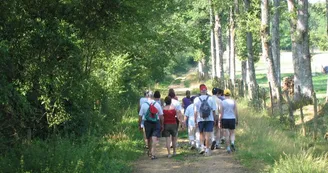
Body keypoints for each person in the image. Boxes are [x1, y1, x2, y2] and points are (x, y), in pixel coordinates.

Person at [139, 91, 164, 160]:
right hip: (156, 122)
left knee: (149, 138)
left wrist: (139, 125)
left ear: (147, 97)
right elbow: (161, 116)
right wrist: (162, 124)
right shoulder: (157, 104)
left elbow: (140, 116)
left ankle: (150, 152)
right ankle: (153, 154)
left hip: (147, 123)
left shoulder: (144, 105)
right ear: (153, 96)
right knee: (154, 138)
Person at [194, 84, 217, 156]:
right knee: (208, 135)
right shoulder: (211, 99)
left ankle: (202, 147)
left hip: (200, 119)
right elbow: (214, 110)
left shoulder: (196, 99)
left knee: (201, 133)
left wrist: (195, 120)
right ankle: (207, 149)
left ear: (200, 91)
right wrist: (214, 119)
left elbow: (195, 111)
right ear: (206, 90)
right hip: (210, 119)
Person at [219, 89, 239, 154]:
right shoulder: (233, 101)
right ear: (230, 94)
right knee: (232, 133)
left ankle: (228, 148)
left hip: (225, 119)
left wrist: (219, 120)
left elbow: (221, 112)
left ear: (224, 95)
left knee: (226, 134)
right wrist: (237, 119)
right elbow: (236, 111)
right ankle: (232, 143)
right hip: (232, 118)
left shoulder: (222, 102)